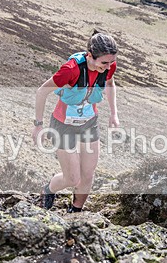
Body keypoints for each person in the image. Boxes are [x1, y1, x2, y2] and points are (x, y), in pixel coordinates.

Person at [33, 30, 119, 212]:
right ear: (90, 56)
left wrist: (113, 113)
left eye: (111, 62)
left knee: (87, 174)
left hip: (89, 122)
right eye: (104, 62)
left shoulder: (109, 66)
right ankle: (48, 191)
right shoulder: (71, 70)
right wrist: (38, 125)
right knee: (72, 178)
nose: (108, 66)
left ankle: (76, 212)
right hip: (63, 125)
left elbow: (110, 83)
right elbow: (42, 91)